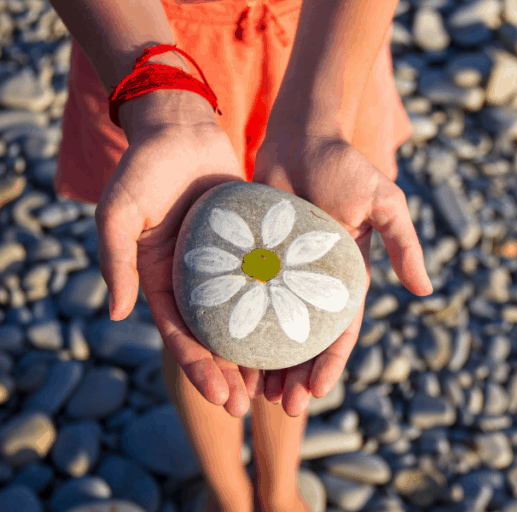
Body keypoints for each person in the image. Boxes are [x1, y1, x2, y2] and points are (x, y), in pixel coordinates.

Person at [48, 1, 434, 511]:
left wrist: (319, 119)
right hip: (146, 42)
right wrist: (165, 109)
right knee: (199, 323)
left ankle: (277, 489)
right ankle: (227, 492)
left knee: (286, 343)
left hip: (332, 47)